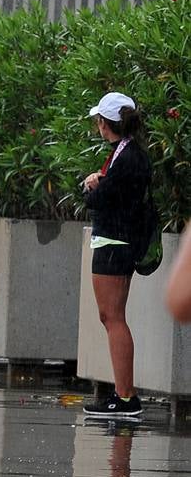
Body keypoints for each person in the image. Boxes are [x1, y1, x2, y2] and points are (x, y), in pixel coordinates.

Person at [81, 92, 152, 418]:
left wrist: (93, 186)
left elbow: (99, 200)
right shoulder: (128, 154)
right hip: (119, 242)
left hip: (114, 242)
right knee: (111, 316)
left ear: (104, 124)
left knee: (112, 317)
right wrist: (101, 182)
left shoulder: (127, 158)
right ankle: (123, 394)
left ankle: (125, 396)